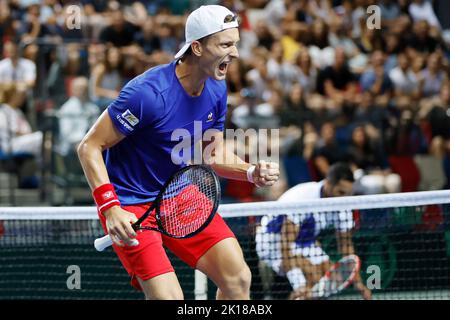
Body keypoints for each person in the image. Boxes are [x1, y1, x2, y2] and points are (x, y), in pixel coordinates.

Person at [77, 5, 280, 300]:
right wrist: (109, 208)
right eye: (225, 44)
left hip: (178, 195)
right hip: (131, 205)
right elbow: (90, 146)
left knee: (238, 279)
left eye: (234, 43)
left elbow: (213, 154)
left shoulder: (216, 89)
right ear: (197, 47)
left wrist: (249, 171)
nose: (235, 53)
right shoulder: (147, 94)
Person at [255, 162, 372, 300]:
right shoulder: (303, 197)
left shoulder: (343, 203)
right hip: (272, 242)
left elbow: (346, 246)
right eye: (340, 192)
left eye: (347, 193)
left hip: (305, 241)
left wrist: (359, 284)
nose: (343, 198)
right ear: (328, 183)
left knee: (333, 276)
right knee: (310, 283)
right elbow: (286, 247)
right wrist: (301, 284)